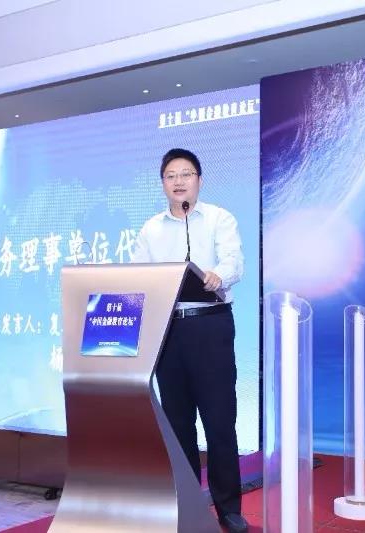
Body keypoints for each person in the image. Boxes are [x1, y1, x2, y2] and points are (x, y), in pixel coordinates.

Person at [131, 148, 247, 533]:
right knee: (178, 422)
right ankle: (185, 505)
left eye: (186, 174)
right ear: (162, 184)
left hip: (210, 326)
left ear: (199, 180)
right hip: (168, 330)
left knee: (219, 421)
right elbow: (138, 275)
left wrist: (217, 275)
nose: (178, 181)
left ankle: (229, 509)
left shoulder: (218, 218)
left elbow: (234, 261)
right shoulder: (151, 229)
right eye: (171, 175)